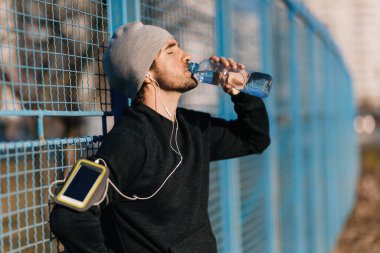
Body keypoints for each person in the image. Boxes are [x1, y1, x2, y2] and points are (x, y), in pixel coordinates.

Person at [50, 21, 270, 253]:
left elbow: (255, 139)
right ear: (145, 72)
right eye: (171, 50)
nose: (186, 56)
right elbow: (69, 214)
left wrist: (242, 92)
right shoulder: (130, 139)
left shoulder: (193, 128)